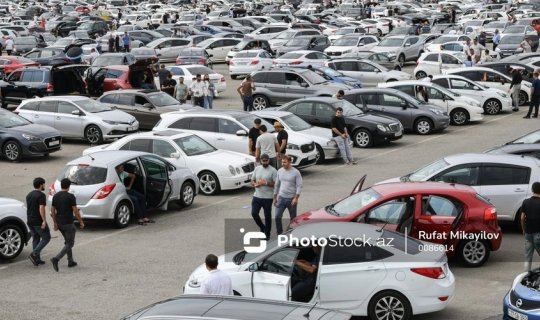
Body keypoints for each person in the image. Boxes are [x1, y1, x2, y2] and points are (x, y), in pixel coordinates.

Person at [50, 178, 84, 272]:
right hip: (68, 223)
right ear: (69, 186)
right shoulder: (70, 196)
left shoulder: (55, 196)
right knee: (70, 243)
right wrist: (80, 221)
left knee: (67, 241)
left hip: (59, 222)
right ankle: (56, 259)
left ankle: (70, 261)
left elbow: (53, 210)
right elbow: (75, 210)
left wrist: (55, 223)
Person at [250, 153, 278, 240]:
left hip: (268, 197)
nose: (265, 162)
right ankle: (262, 227)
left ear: (269, 160)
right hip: (257, 196)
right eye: (263, 161)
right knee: (254, 213)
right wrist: (255, 184)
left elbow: (276, 184)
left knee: (267, 216)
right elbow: (252, 180)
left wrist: (265, 183)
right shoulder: (257, 169)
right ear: (261, 161)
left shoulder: (273, 171)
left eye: (266, 161)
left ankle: (267, 234)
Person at [273, 155, 302, 235]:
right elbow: (277, 185)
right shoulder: (280, 171)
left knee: (293, 219)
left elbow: (299, 186)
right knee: (277, 216)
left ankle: (293, 233)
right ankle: (280, 233)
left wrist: (296, 198)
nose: (283, 164)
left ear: (290, 162)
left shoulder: (296, 172)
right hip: (281, 198)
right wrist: (275, 197)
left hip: (291, 199)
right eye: (282, 162)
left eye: (285, 162)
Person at [26, 177, 51, 266]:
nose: (44, 185)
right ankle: (34, 254)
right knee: (46, 237)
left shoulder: (29, 194)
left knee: (36, 238)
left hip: (30, 220)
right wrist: (44, 221)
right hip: (37, 221)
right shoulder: (41, 195)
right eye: (44, 184)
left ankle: (37, 259)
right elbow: (41, 208)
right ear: (41, 185)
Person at [521, 182, 540, 272]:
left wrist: (523, 229)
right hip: (538, 234)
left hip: (528, 233)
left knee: (528, 257)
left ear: (532, 190)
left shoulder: (526, 202)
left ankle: (526, 276)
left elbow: (522, 218)